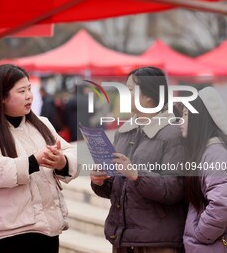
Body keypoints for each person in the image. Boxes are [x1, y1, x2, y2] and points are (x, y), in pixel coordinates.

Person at [0, 64, 78, 253]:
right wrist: (34, 161)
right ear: (1, 97)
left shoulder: (42, 124)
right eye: (21, 91)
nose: (29, 96)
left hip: (47, 231)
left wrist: (62, 162)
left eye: (29, 89)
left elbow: (70, 153)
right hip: (6, 235)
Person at [90, 67, 187, 253]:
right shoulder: (123, 132)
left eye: (130, 89)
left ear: (149, 95)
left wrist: (137, 175)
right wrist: (101, 181)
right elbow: (117, 189)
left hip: (157, 242)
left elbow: (174, 189)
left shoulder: (173, 133)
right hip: (123, 238)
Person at [181, 87, 227, 253]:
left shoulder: (215, 153)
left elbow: (222, 202)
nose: (181, 121)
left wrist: (200, 234)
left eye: (185, 115)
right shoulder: (206, 152)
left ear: (198, 119)